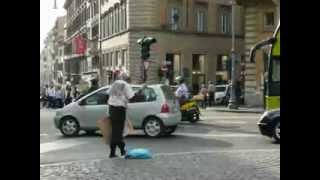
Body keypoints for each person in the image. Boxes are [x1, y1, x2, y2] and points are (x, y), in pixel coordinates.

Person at [107, 74, 135, 158]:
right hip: (120, 109)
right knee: (118, 131)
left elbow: (107, 94)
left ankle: (113, 152)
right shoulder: (126, 85)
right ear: (128, 80)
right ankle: (122, 150)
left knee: (115, 131)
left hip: (111, 108)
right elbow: (131, 97)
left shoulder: (115, 83)